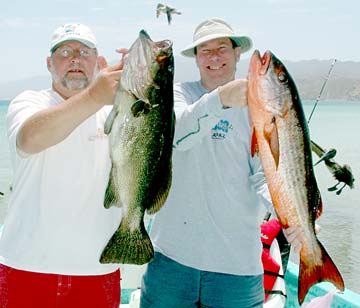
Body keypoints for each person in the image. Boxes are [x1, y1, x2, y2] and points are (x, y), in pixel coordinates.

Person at [140, 18, 303, 308]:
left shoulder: (260, 109)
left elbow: (265, 175)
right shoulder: (176, 95)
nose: (214, 57)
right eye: (205, 50)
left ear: (237, 53)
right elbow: (177, 136)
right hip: (171, 261)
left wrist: (289, 214)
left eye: (222, 48)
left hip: (237, 269)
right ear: (196, 58)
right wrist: (221, 99)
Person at [0, 23, 125, 307]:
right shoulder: (29, 101)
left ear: (97, 61)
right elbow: (30, 138)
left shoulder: (115, 111)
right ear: (49, 63)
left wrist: (139, 79)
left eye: (84, 52)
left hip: (98, 270)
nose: (76, 59)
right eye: (65, 52)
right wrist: (95, 95)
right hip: (25, 266)